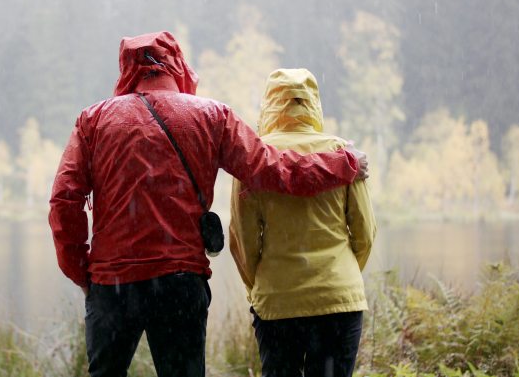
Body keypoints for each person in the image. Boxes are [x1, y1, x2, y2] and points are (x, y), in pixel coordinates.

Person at [49, 33, 368, 377]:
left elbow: (64, 201)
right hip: (180, 283)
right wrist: (342, 164)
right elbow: (271, 169)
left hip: (112, 285)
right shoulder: (212, 116)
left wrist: (81, 272)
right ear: (177, 64)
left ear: (126, 69)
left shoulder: (93, 121)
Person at [229, 68, 377, 377]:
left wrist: (259, 286)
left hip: (278, 299)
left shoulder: (254, 157)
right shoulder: (343, 153)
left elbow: (243, 240)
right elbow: (364, 231)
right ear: (314, 103)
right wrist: (341, 273)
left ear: (269, 104)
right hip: (339, 298)